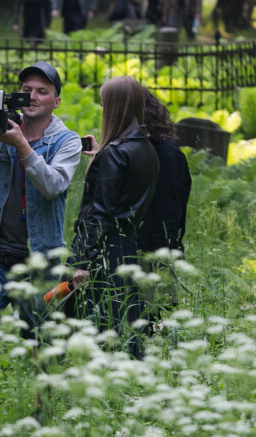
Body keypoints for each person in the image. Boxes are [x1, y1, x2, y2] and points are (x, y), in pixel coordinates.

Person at [0, 61, 82, 437]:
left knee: (41, 334)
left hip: (42, 258)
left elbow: (54, 184)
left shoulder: (67, 140)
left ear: (56, 99)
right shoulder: (2, 132)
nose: (34, 97)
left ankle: (45, 411)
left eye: (43, 91)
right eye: (28, 90)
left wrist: (21, 145)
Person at [69, 75, 159, 359]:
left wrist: (81, 261)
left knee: (90, 323)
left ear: (114, 106)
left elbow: (101, 214)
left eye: (104, 103)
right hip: (128, 245)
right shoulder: (147, 148)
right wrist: (100, 158)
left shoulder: (115, 153)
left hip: (106, 249)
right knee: (128, 320)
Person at [137, 87, 191, 317]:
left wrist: (160, 255)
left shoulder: (166, 153)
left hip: (152, 249)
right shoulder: (145, 146)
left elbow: (168, 208)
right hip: (140, 245)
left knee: (150, 316)